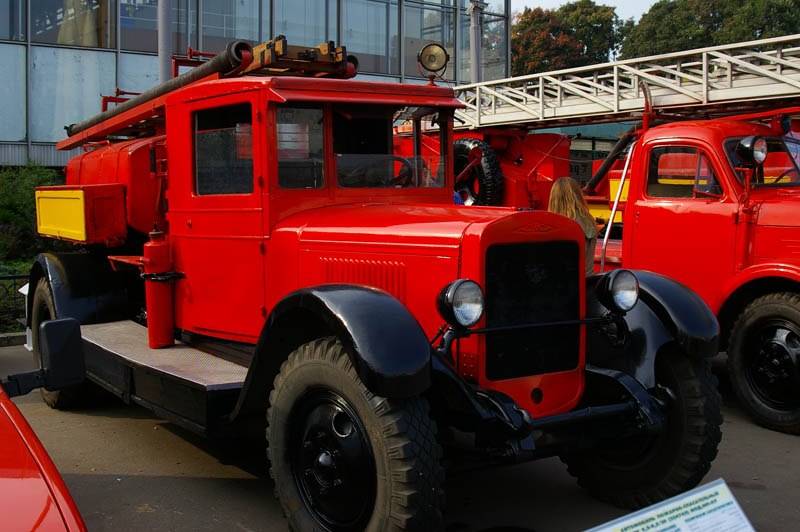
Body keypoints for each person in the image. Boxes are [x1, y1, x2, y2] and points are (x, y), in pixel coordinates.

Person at [548, 177, 598, 276]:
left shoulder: (559, 226)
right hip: (588, 281)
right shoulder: (588, 220)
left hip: (569, 284)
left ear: (554, 198)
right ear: (577, 195)